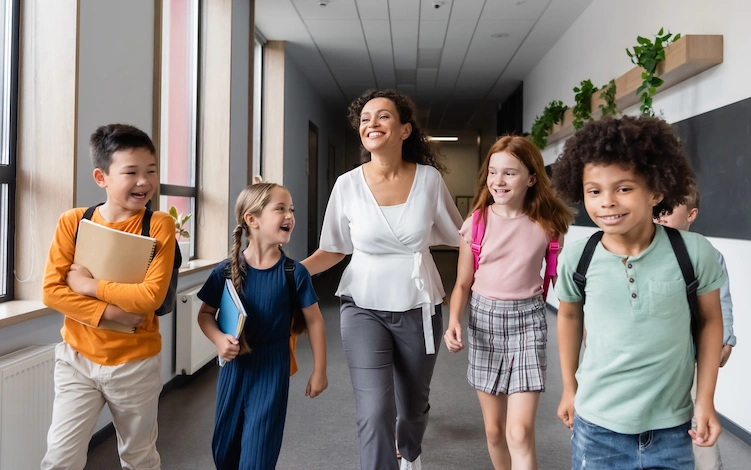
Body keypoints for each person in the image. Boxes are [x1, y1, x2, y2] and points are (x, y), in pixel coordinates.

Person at [551, 115, 726, 470]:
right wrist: (569, 386)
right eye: (594, 191)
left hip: (672, 429)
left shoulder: (693, 253)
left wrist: (705, 401)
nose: (607, 202)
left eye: (624, 188)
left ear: (657, 191)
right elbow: (569, 316)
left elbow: (709, 322)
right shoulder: (577, 257)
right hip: (597, 428)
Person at [302, 89, 462, 470]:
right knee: (375, 411)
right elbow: (334, 249)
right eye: (365, 119)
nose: (372, 123)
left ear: (405, 130)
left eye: (383, 116)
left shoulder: (428, 180)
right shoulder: (347, 185)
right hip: (362, 306)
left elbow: (464, 240)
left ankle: (409, 452)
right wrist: (282, 272)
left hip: (418, 305)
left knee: (412, 408)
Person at [41, 124, 176, 470]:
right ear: (101, 177)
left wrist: (88, 286)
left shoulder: (158, 224)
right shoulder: (74, 221)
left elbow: (149, 296)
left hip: (136, 364)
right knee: (60, 458)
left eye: (151, 171)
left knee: (139, 457)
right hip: (76, 359)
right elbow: (52, 292)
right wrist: (114, 313)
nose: (144, 182)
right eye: (131, 172)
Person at [444, 136, 573, 470]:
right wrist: (454, 320)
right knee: (495, 431)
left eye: (510, 173)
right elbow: (462, 283)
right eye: (493, 172)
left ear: (531, 178)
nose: (498, 181)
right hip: (484, 323)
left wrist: (586, 325)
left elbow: (563, 286)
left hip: (529, 322)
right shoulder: (476, 223)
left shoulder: (548, 226)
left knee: (519, 432)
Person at [197, 183, 327, 470]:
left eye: (291, 209)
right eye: (280, 208)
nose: (290, 215)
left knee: (259, 453)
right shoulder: (226, 270)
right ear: (252, 219)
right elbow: (205, 314)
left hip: (272, 367)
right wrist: (219, 339)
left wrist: (319, 371)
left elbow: (315, 321)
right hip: (234, 368)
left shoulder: (295, 272)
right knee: (224, 450)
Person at [657, 183, 736, 470]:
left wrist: (726, 340)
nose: (661, 213)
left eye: (670, 207)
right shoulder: (643, 251)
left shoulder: (707, 255)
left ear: (691, 214)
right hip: (653, 356)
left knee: (696, 421)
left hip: (692, 358)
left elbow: (721, 302)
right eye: (658, 206)